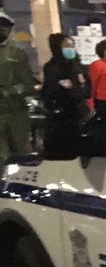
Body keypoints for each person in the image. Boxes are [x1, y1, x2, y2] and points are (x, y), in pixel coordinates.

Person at [0, 9, 37, 159]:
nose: (3, 31)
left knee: (21, 156)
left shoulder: (17, 55)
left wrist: (9, 91)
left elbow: (28, 85)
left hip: (16, 114)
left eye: (5, 28)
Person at [40, 33, 89, 146]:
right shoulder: (52, 67)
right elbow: (52, 91)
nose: (70, 49)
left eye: (72, 46)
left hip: (80, 114)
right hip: (62, 117)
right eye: (67, 46)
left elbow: (87, 91)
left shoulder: (78, 66)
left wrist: (76, 88)